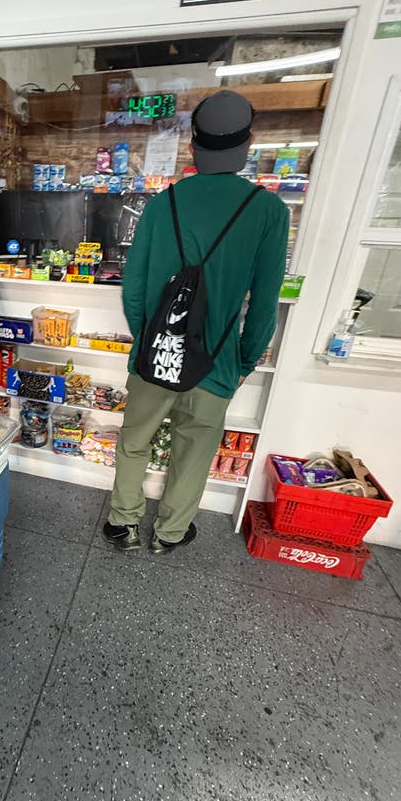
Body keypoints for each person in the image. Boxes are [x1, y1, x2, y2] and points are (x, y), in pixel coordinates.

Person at [103, 89, 288, 554]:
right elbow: (264, 303)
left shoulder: (161, 204)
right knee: (194, 451)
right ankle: (169, 533)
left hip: (155, 352)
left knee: (135, 440)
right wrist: (243, 361)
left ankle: (123, 523)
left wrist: (149, 338)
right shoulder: (269, 211)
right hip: (218, 361)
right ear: (250, 143)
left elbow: (136, 290)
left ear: (192, 146)